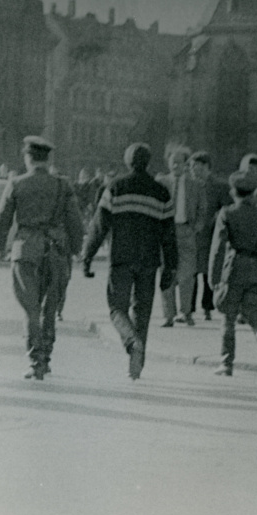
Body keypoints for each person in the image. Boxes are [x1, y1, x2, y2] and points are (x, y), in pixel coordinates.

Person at [81, 142, 177, 380]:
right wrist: (170, 268)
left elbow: (99, 226)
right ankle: (136, 367)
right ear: (148, 162)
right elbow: (169, 235)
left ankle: (130, 341)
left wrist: (87, 256)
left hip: (121, 258)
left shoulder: (114, 187)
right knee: (142, 312)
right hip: (149, 261)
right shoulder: (162, 192)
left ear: (127, 162)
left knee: (117, 308)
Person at [0, 136, 84, 380]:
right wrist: (77, 249)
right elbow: (75, 221)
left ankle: (36, 361)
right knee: (50, 309)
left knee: (31, 310)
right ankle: (47, 357)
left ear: (28, 158)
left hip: (25, 251)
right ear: (47, 159)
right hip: (56, 251)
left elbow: (2, 218)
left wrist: (0, 248)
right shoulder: (62, 185)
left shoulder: (16, 183)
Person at [208, 171, 257, 377]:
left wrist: (213, 277)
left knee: (228, 318)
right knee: (255, 316)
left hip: (233, 270)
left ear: (233, 192)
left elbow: (218, 247)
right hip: (256, 271)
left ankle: (226, 362)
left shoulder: (227, 213)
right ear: (255, 192)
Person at [156, 145, 203, 327]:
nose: (176, 166)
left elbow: (202, 209)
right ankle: (168, 315)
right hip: (166, 232)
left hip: (186, 231)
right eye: (173, 162)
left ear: (186, 164)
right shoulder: (161, 183)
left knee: (187, 275)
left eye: (180, 163)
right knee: (167, 272)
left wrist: (195, 228)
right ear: (168, 162)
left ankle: (186, 312)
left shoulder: (196, 185)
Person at [191, 151, 233, 321]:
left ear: (208, 168)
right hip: (193, 234)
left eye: (199, 167)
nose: (195, 171)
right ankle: (188, 308)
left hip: (211, 235)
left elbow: (226, 207)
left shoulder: (218, 186)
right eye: (193, 167)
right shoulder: (189, 184)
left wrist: (215, 219)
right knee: (190, 272)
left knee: (208, 272)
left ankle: (207, 307)